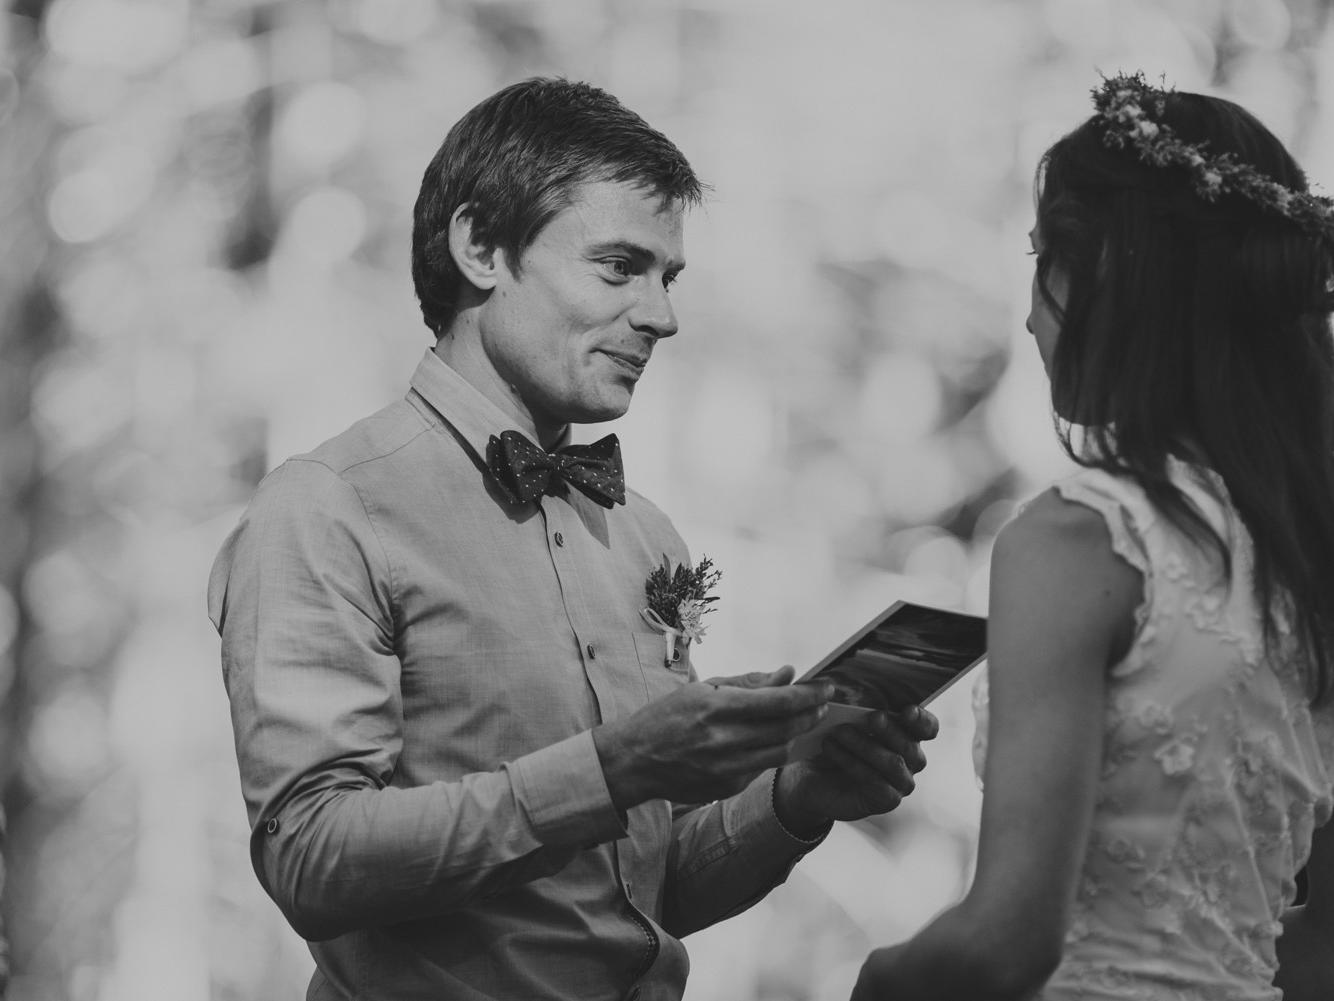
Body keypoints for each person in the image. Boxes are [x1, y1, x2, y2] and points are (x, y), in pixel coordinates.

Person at [209, 77, 939, 1001]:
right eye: (620, 266)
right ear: (480, 247)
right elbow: (309, 857)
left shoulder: (643, 535)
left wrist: (797, 797)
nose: (662, 315)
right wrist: (616, 763)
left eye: (668, 278)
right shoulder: (327, 507)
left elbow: (647, 892)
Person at [851, 74, 1334, 1001]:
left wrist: (883, 980)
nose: (1032, 315)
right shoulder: (1304, 558)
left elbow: (1006, 943)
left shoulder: (1081, 541)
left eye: (1042, 262)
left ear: (1106, 277)